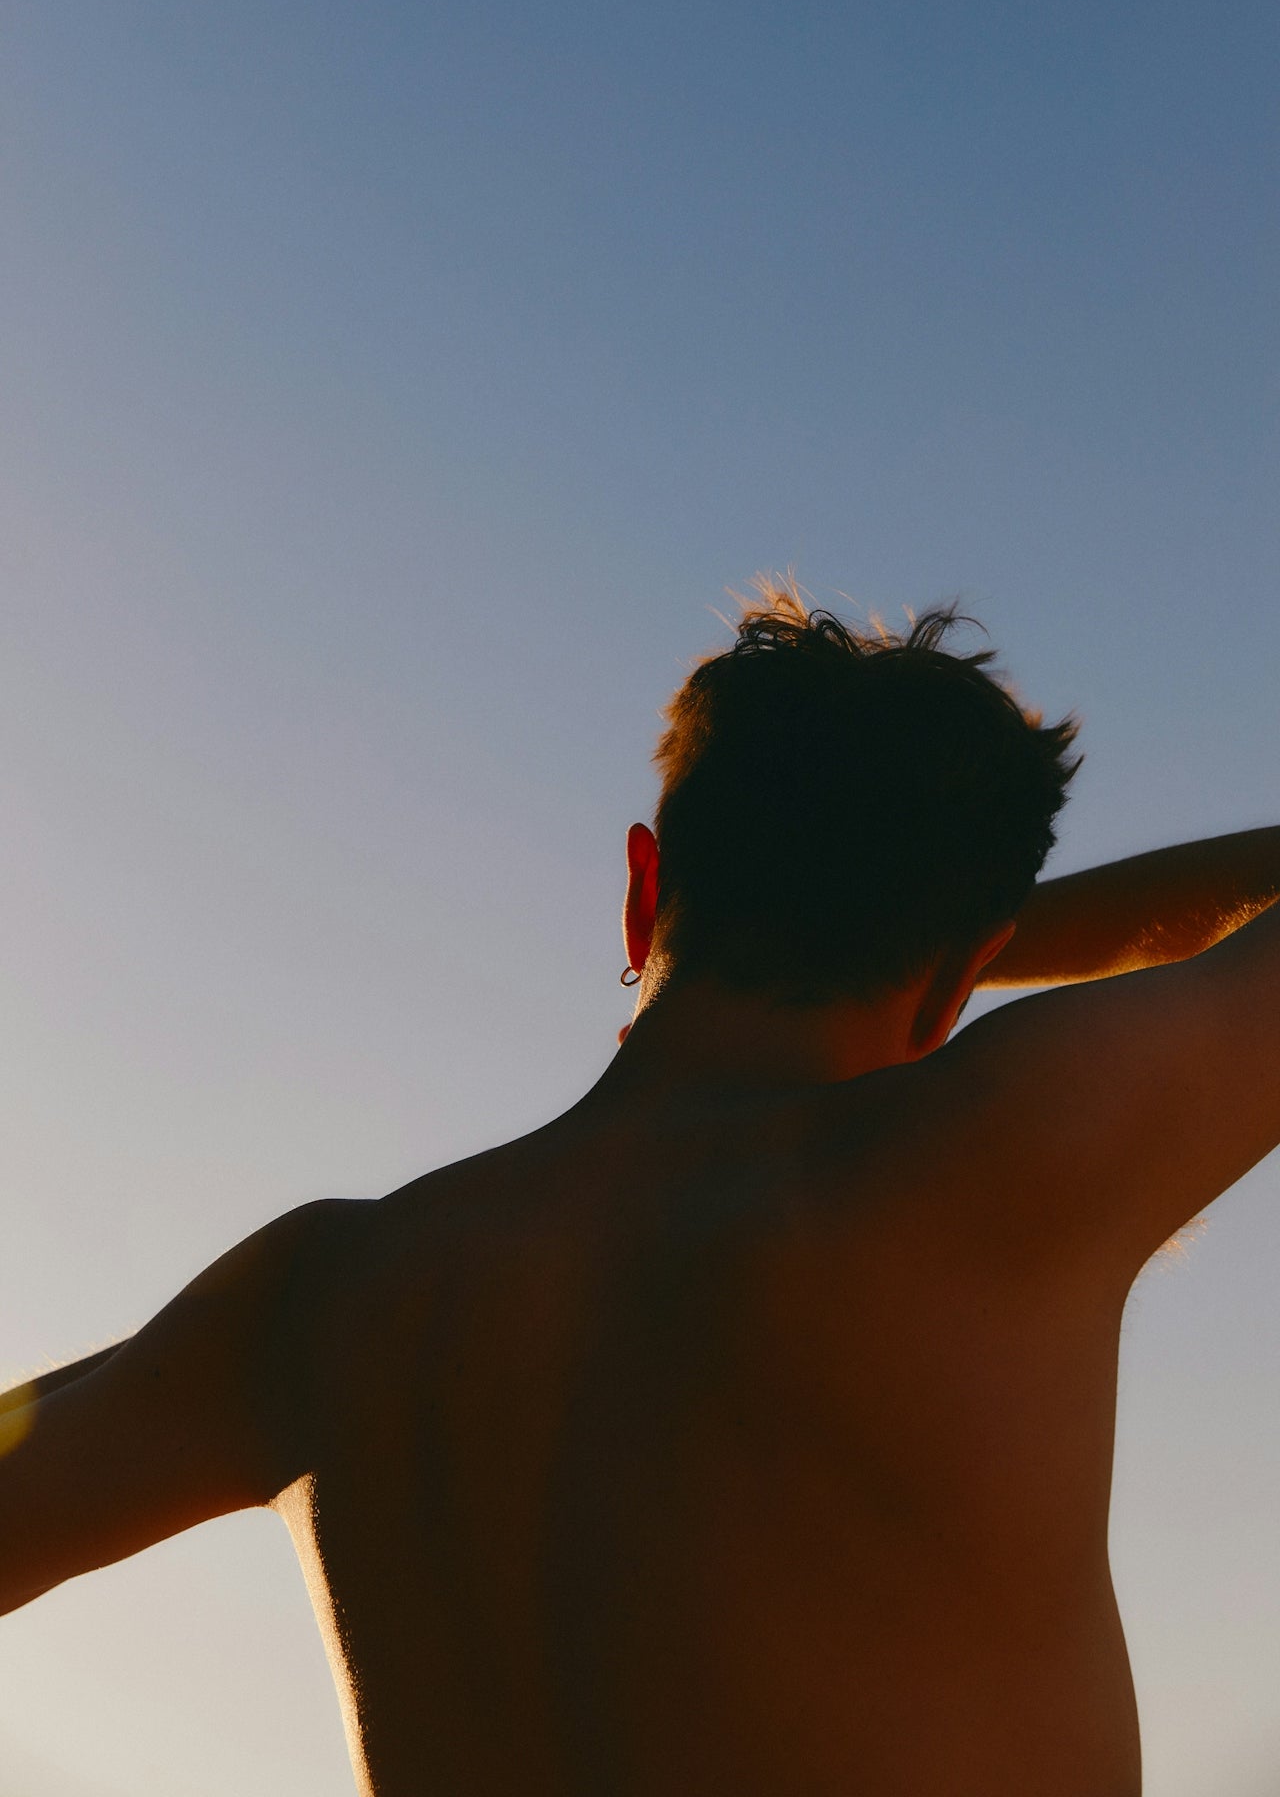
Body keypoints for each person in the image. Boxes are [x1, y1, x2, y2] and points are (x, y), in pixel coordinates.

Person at [2, 583, 1278, 1797]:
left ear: (640, 890)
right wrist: (954, 922)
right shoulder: (983, 1157)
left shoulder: (315, 1297)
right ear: (955, 975)